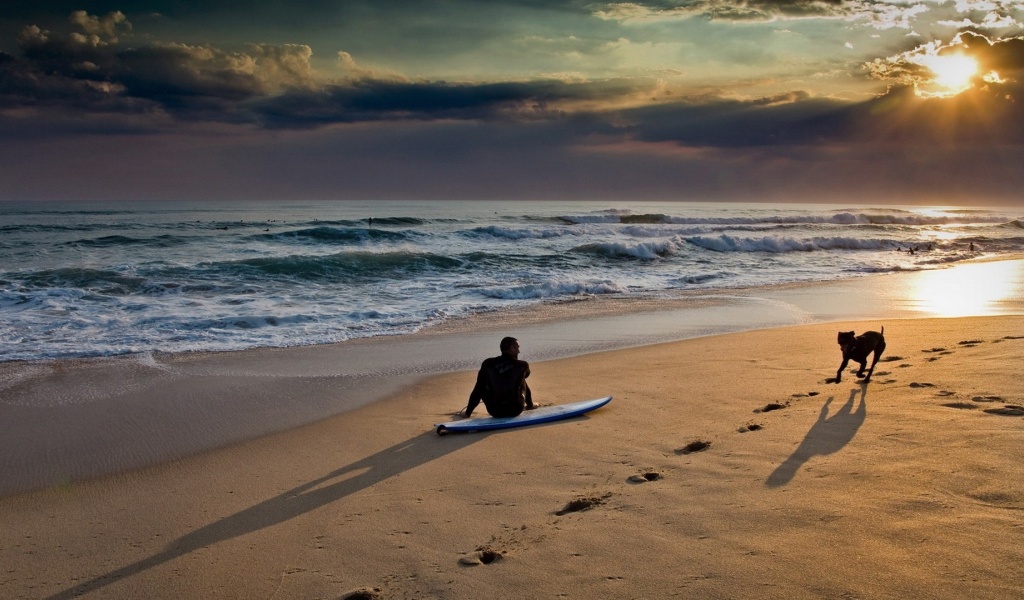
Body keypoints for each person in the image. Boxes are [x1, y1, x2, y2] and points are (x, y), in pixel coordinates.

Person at [459, 337, 535, 418]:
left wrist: (468, 412)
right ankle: (530, 405)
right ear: (512, 348)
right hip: (515, 409)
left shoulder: (487, 364)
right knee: (521, 377)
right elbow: (526, 375)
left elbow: (477, 391)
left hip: (495, 411)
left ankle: (467, 413)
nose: (519, 351)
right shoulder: (522, 365)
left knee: (481, 384)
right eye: (517, 347)